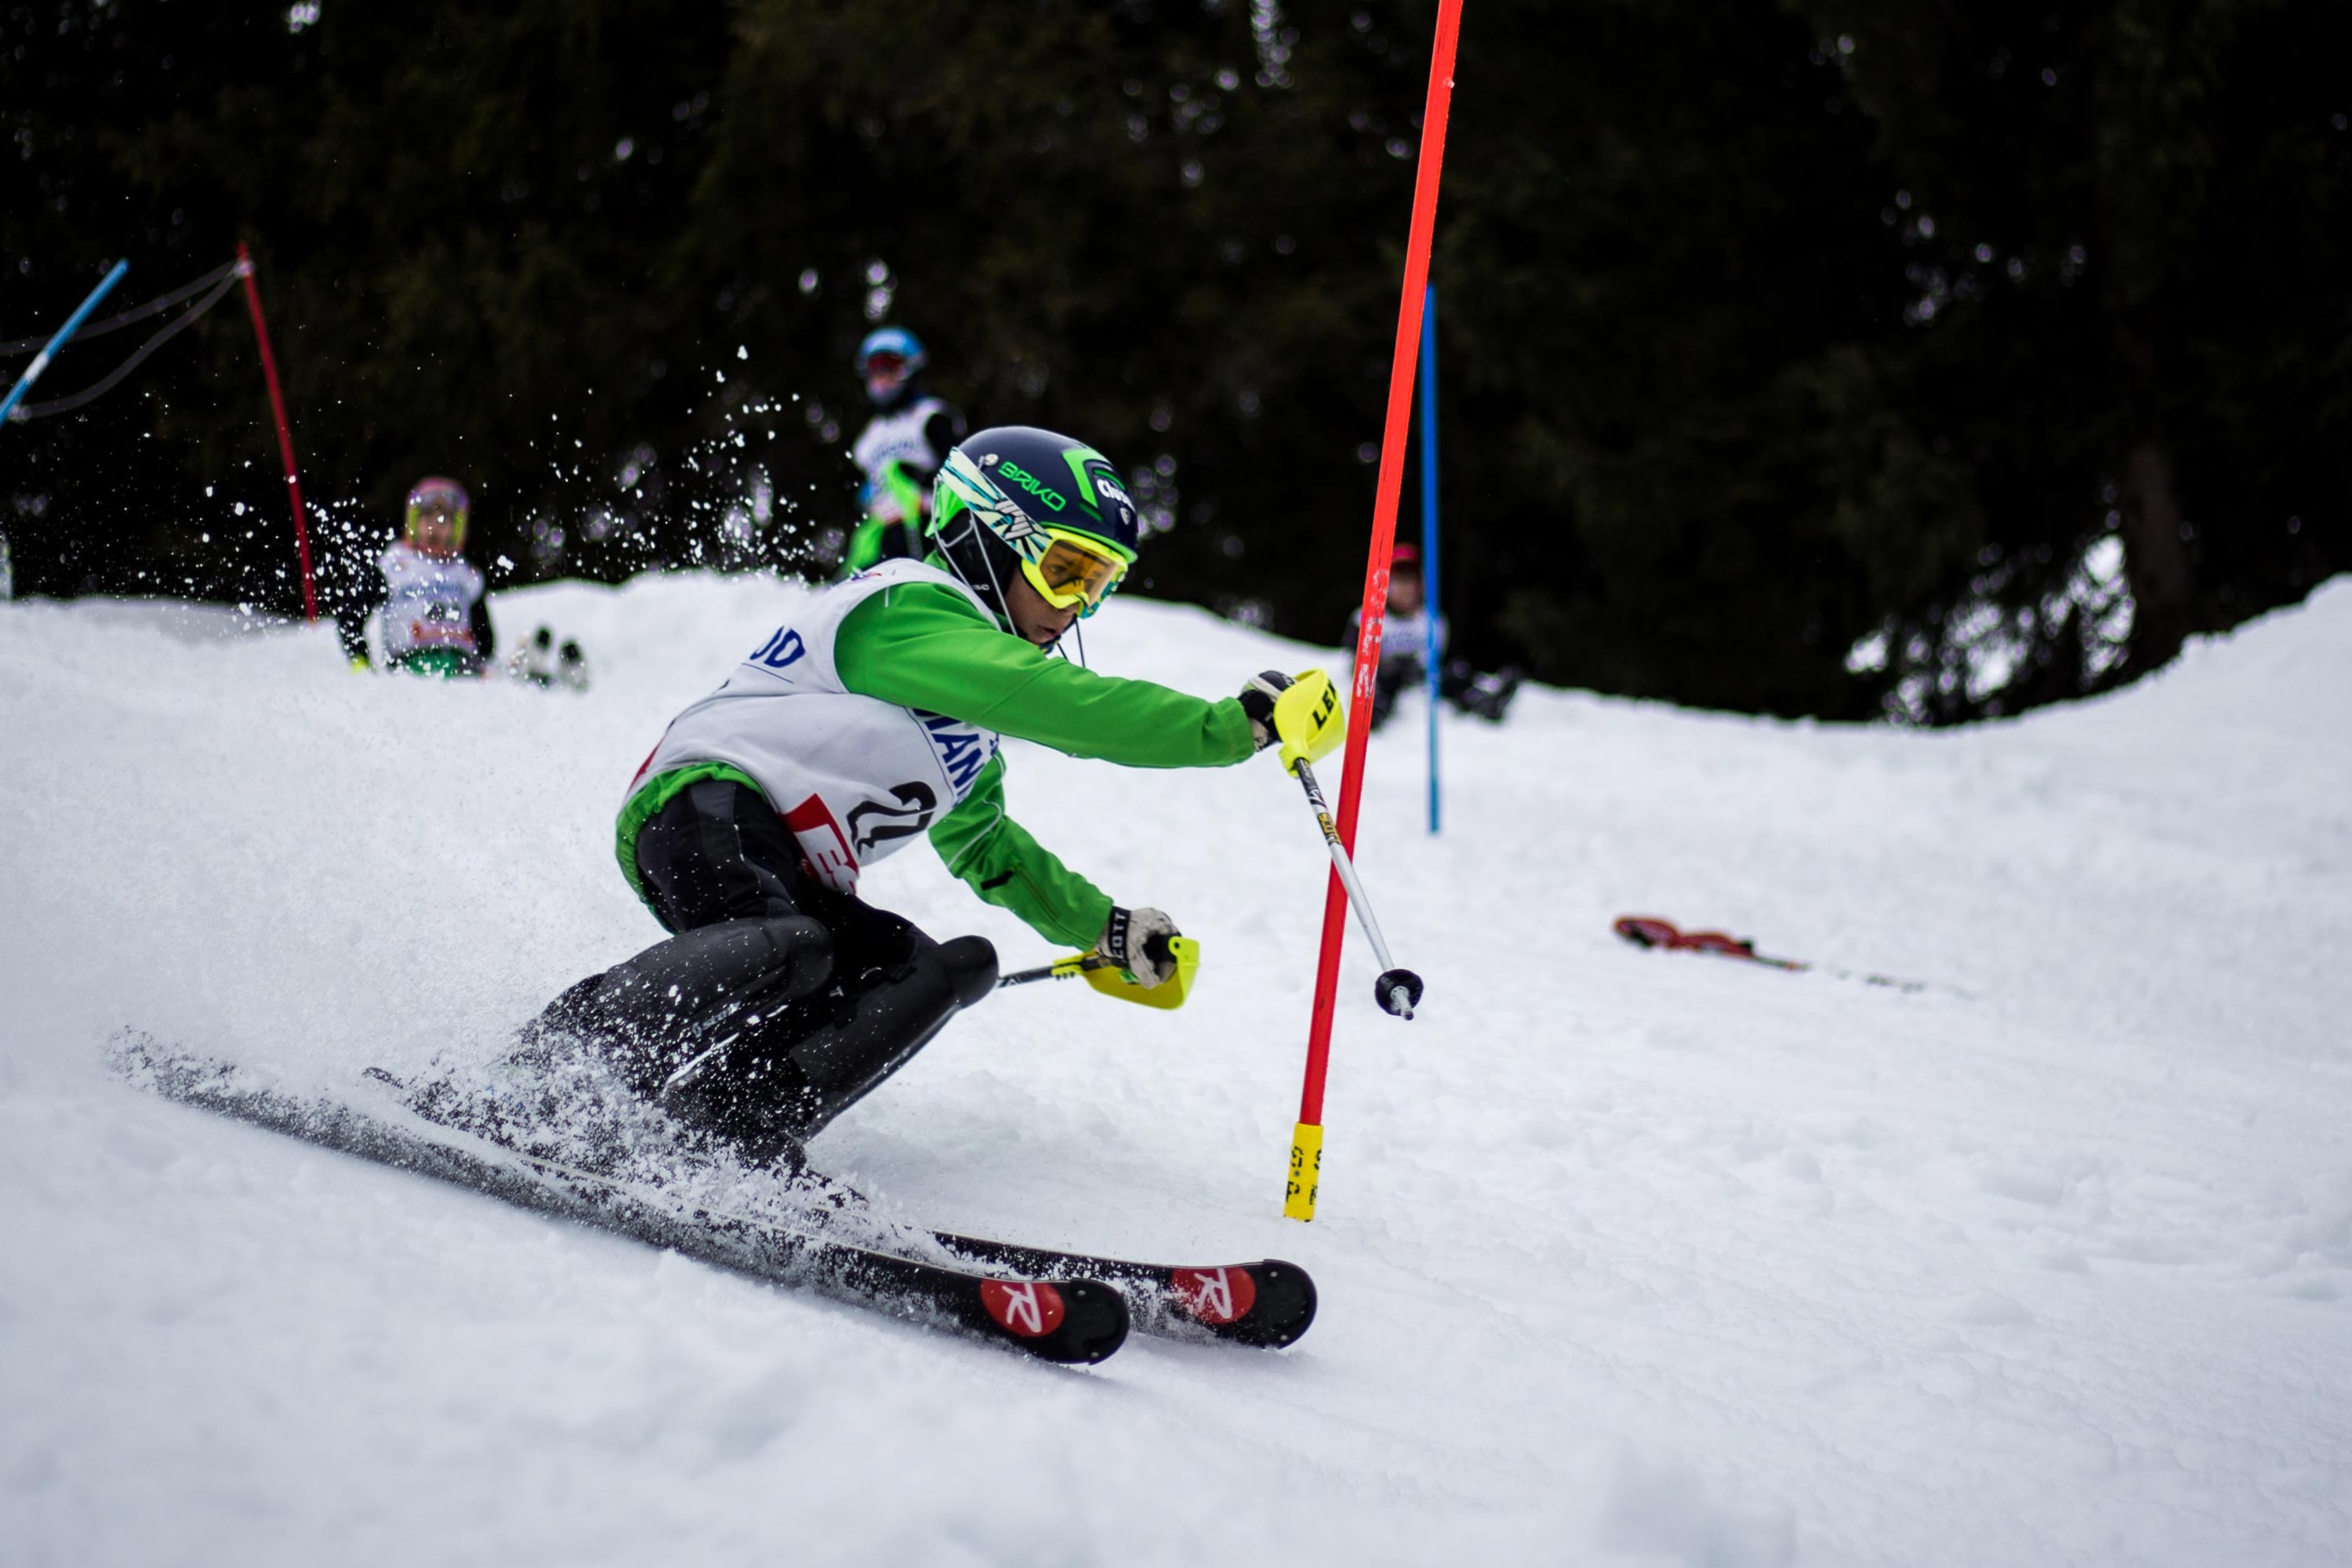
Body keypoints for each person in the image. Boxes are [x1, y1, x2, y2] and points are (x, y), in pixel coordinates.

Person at [524, 425, 1344, 1167]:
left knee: (932, 967)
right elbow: (1066, 705)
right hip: (700, 808)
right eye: (1064, 571)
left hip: (788, 876)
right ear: (988, 538)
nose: (1077, 605)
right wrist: (1234, 728)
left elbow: (991, 850)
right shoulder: (909, 610)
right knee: (792, 944)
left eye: (1100, 583)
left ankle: (723, 1133)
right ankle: (548, 1075)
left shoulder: (966, 730)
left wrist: (1106, 929)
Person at [335, 476, 496, 677]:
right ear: (412, 521)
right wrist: (360, 662)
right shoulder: (393, 565)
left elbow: (486, 639)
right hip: (410, 668)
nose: (435, 528)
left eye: (444, 520)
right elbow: (351, 617)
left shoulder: (466, 574)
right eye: (427, 519)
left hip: (461, 669)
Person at [1349, 544, 1519, 730]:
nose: (1406, 590)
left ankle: (1483, 701)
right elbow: (1352, 658)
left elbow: (1439, 658)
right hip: (1385, 678)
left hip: (1424, 679)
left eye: (1411, 582)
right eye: (1399, 582)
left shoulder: (1432, 621)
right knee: (1384, 680)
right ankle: (1373, 712)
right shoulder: (1367, 619)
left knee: (1456, 675)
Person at [840, 325, 966, 575]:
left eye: (890, 368)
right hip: (884, 534)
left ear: (912, 369)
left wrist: (922, 481)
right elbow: (861, 489)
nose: (882, 379)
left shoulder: (931, 417)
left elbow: (961, 475)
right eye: (875, 370)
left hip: (927, 528)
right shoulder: (868, 438)